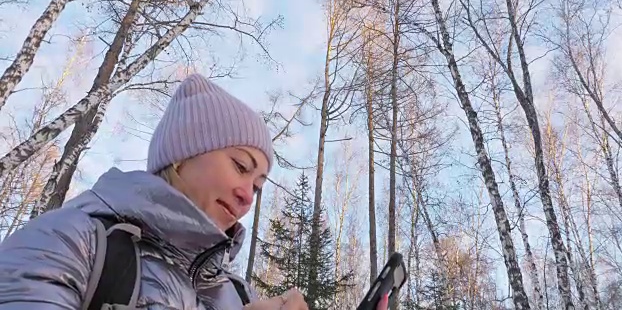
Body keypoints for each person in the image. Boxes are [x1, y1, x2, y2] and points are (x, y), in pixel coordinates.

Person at [0, 74, 390, 310]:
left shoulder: (236, 293)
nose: (247, 196)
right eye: (240, 166)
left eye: (258, 184)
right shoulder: (73, 240)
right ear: (182, 155)